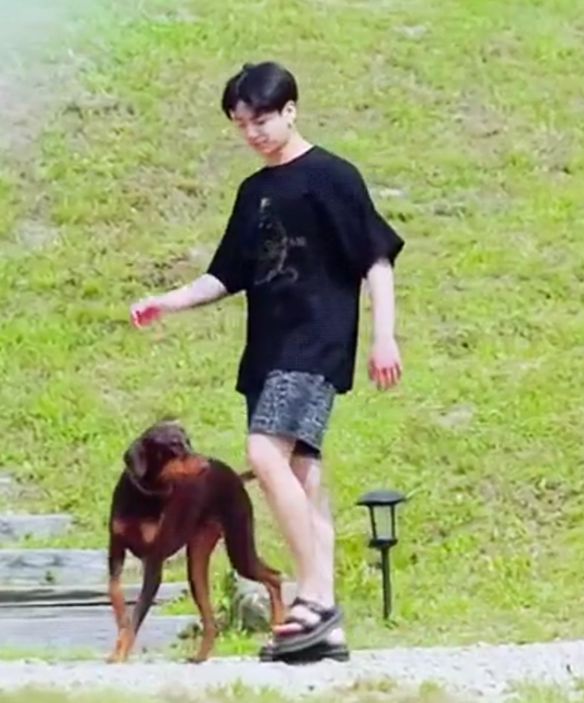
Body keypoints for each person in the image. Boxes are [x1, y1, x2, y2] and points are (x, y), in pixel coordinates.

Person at [129, 60, 404, 662]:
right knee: (305, 480)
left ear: (290, 111)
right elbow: (226, 274)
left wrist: (385, 337)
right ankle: (325, 632)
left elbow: (376, 260)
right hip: (269, 350)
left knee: (262, 452)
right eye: (239, 124)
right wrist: (166, 302)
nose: (251, 133)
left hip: (317, 342)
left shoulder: (332, 177)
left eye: (260, 120)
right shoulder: (254, 192)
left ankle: (317, 596)